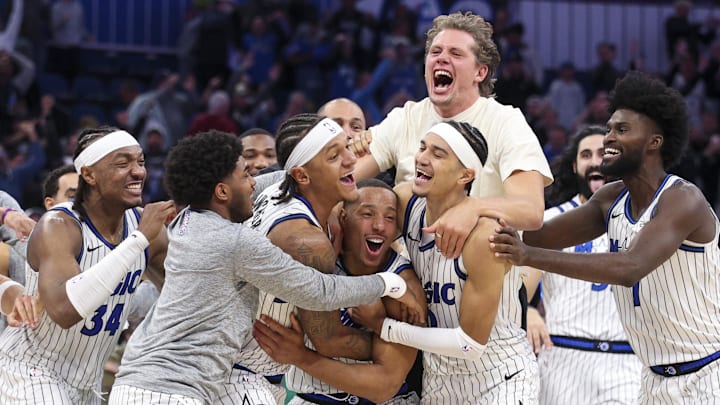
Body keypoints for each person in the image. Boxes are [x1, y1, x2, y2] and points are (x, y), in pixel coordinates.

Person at [109, 130, 420, 405]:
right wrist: (391, 288)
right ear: (221, 191)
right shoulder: (250, 240)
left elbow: (292, 174)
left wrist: (348, 152)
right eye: (245, 175)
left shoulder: (209, 210)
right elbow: (320, 292)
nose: (254, 180)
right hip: (184, 384)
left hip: (158, 374)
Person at [490, 71, 720, 404]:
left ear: (654, 141)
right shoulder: (611, 199)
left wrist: (526, 255)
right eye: (609, 128)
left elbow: (629, 267)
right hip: (652, 378)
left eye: (621, 130)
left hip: (706, 375)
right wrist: (485, 203)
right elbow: (541, 235)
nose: (607, 139)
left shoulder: (683, 199)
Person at [225, 114, 424, 404]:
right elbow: (330, 340)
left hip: (261, 370)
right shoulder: (308, 242)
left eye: (346, 147)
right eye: (334, 156)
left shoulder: (277, 191)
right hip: (241, 370)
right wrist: (395, 332)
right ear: (303, 175)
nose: (350, 159)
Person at [352, 12, 552, 258]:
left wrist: (473, 207)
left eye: (456, 54)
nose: (441, 59)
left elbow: (531, 211)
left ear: (480, 73)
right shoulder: (405, 118)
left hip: (484, 274)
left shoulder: (506, 122)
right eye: (435, 52)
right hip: (415, 276)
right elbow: (345, 182)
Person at [0, 126, 176, 404]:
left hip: (88, 383)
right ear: (89, 174)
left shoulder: (145, 227)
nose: (139, 172)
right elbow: (65, 311)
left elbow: (184, 291)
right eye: (123, 163)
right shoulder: (58, 226)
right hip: (32, 373)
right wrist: (138, 240)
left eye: (140, 162)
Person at [360, 121, 526, 403]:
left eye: (438, 154)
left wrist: (384, 326)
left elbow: (469, 344)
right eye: (423, 147)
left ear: (465, 175)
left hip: (498, 377)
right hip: (438, 377)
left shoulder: (485, 237)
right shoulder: (405, 200)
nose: (422, 158)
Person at [254, 179, 424, 405]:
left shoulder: (407, 288)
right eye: (367, 214)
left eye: (390, 218)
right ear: (343, 217)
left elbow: (383, 386)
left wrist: (300, 356)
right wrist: (380, 331)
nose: (379, 226)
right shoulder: (313, 251)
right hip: (308, 397)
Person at [523, 126, 642, 404]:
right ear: (575, 166)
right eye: (585, 155)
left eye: (603, 153)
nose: (594, 161)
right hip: (564, 355)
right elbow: (521, 285)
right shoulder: (549, 221)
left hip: (627, 361)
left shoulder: (646, 221)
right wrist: (527, 310)